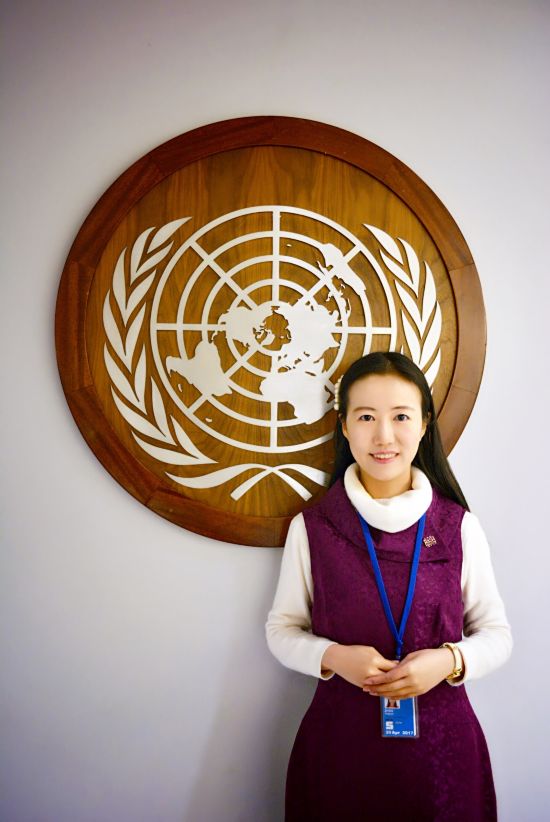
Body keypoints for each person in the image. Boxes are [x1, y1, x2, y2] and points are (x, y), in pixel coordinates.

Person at [265, 351, 512, 821]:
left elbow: (497, 635)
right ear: (343, 425)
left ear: (423, 425)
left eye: (400, 416)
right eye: (365, 417)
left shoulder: (457, 526)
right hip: (340, 748)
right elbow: (281, 630)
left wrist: (449, 661)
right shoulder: (314, 527)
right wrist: (334, 657)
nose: (383, 436)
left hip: (443, 755)